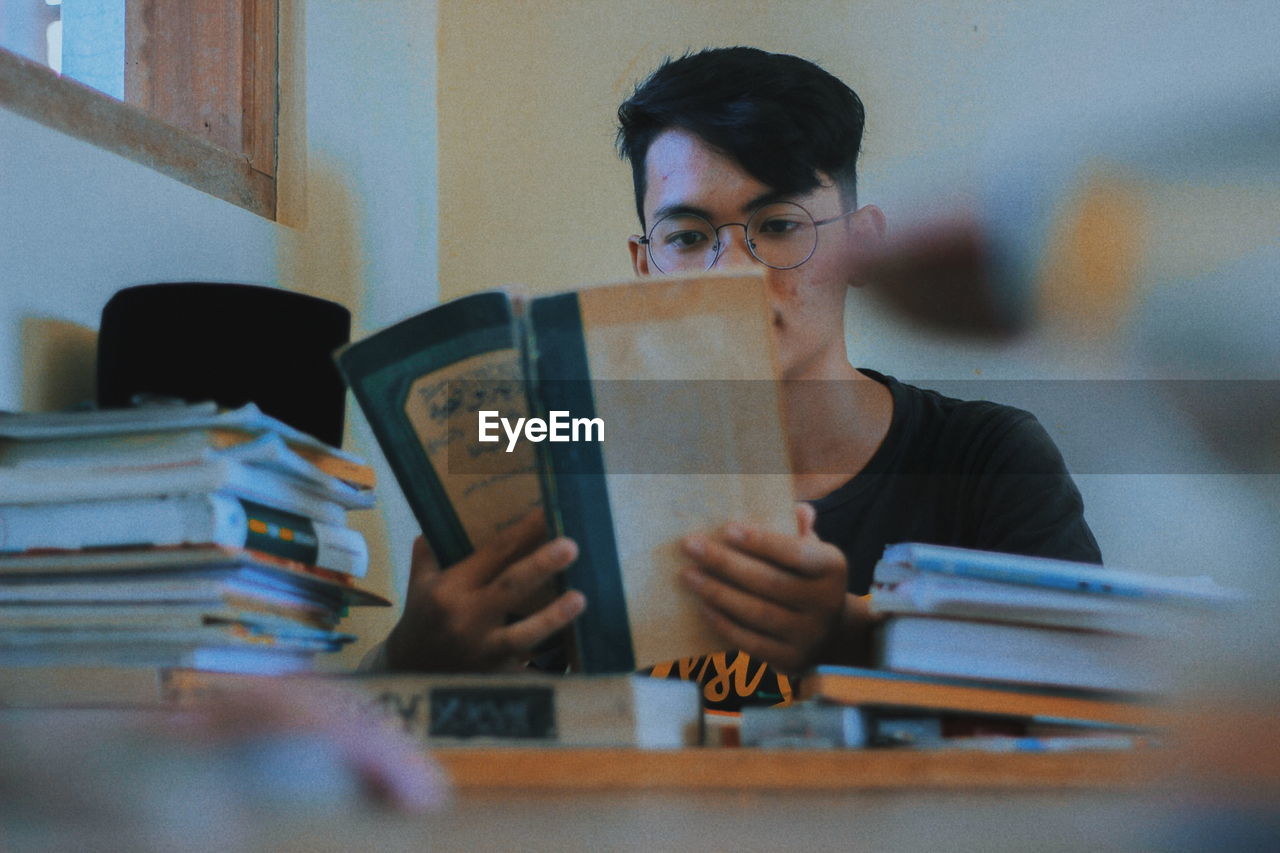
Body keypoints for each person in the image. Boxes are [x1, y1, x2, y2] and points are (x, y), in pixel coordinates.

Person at [377, 47, 1100, 710]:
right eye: (688, 238)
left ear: (861, 247)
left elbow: (1098, 719)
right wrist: (413, 662)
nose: (733, 273)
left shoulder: (983, 458)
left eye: (779, 224)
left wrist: (852, 634)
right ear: (644, 268)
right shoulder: (574, 458)